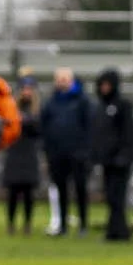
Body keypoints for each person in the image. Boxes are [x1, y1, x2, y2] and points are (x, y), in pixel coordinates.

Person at [39, 68, 91, 235]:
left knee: (80, 188)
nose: (61, 82)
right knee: (60, 189)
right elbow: (44, 127)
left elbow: (89, 126)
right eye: (59, 79)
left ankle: (83, 224)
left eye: (65, 79)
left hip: (78, 153)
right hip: (57, 153)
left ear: (71, 80)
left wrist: (85, 150)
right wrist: (47, 150)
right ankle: (62, 224)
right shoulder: (51, 102)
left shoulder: (82, 101)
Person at [88, 67, 133, 241]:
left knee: (118, 197)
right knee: (110, 196)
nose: (104, 88)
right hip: (107, 161)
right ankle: (115, 229)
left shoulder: (123, 106)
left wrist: (125, 155)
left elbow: (129, 134)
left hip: (120, 161)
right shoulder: (100, 107)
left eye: (107, 85)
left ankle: (119, 231)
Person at [0, 79, 43, 234]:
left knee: (28, 191)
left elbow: (38, 128)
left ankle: (27, 224)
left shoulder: (38, 110)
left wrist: (22, 121)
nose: (26, 92)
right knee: (13, 190)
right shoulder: (12, 107)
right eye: (24, 89)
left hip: (29, 152)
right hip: (14, 151)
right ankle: (11, 223)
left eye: (29, 89)